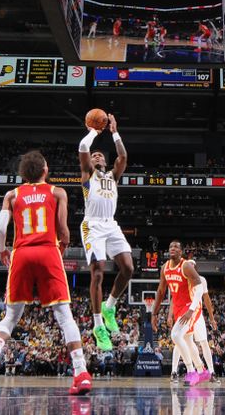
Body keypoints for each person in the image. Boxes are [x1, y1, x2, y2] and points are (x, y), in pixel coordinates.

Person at [0, 151, 91, 396]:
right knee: (64, 315)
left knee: (11, 316)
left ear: (23, 173)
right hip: (47, 250)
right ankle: (81, 373)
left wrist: (3, 251)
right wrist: (62, 246)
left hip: (22, 253)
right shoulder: (58, 192)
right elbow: (64, 231)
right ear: (45, 170)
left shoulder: (11, 195)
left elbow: (1, 228)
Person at [78, 115, 133, 351]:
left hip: (111, 224)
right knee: (98, 273)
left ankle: (110, 306)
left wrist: (114, 132)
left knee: (128, 268)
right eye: (94, 155)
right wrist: (93, 131)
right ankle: (98, 325)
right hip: (92, 225)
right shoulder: (87, 176)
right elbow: (82, 147)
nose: (97, 155)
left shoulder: (113, 176)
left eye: (100, 154)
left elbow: (123, 157)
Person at [152, 240, 209, 386]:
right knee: (188, 342)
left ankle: (191, 372)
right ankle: (201, 370)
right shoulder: (165, 267)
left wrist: (191, 310)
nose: (173, 248)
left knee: (176, 335)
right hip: (178, 307)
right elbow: (160, 291)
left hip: (191, 307)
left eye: (176, 247)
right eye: (171, 246)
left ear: (181, 251)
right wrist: (154, 313)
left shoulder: (186, 266)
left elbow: (199, 288)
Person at [169, 270, 220, 383]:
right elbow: (174, 298)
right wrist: (170, 314)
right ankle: (175, 371)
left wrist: (211, 318)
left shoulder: (201, 280)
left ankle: (211, 372)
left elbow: (206, 299)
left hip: (197, 314)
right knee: (179, 340)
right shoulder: (182, 280)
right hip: (185, 312)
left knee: (203, 342)